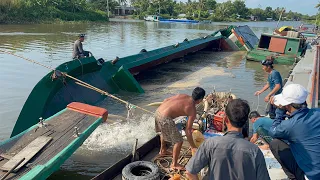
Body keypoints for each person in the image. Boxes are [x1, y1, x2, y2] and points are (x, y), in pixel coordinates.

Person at [185, 99, 270, 180]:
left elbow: (190, 172)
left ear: (225, 119)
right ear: (245, 122)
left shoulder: (210, 144)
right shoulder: (254, 151)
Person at [269, 83, 320, 180]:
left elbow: (272, 132)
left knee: (275, 143)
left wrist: (280, 112)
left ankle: (294, 178)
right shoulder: (317, 112)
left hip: (311, 176)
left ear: (287, 105)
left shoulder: (289, 125)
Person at [155, 87, 206, 170]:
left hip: (158, 112)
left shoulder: (183, 95)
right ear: (200, 100)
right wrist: (193, 147)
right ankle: (174, 164)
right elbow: (188, 131)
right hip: (164, 118)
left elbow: (166, 100)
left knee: (163, 132)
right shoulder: (192, 109)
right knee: (179, 141)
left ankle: (163, 150)